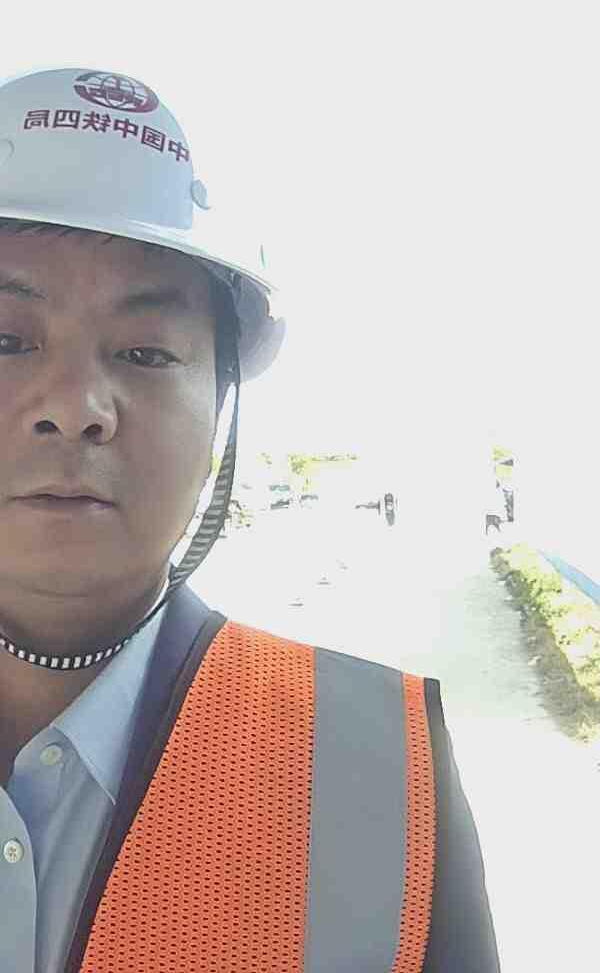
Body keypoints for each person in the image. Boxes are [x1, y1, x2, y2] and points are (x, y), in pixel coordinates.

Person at [0, 67, 501, 972]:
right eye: (6, 340)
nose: (74, 408)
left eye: (145, 352)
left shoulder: (376, 770)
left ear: (221, 410)